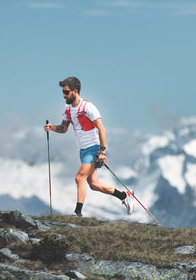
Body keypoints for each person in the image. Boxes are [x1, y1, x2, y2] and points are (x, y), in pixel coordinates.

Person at [44, 76, 136, 217]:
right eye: (63, 92)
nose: (64, 95)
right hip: (83, 150)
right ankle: (124, 195)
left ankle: (77, 213)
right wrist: (52, 128)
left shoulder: (88, 107)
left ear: (75, 91)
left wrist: (102, 152)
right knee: (94, 184)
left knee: (79, 178)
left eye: (66, 92)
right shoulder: (68, 108)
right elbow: (63, 128)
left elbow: (101, 128)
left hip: (93, 148)